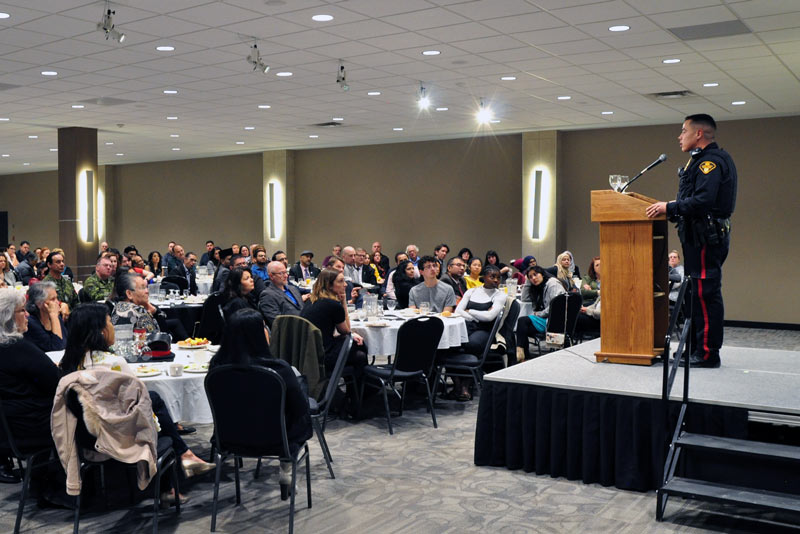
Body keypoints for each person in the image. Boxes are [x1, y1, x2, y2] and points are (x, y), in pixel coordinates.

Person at [59, 304, 214, 504]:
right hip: (115, 437)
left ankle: (183, 457)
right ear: (101, 331)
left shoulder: (68, 364)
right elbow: (138, 408)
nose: (113, 327)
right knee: (155, 408)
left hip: (86, 440)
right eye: (109, 322)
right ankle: (176, 470)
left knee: (154, 401)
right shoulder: (113, 364)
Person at [646, 113, 737, 368]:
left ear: (699, 134)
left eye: (684, 131)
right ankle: (696, 348)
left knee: (705, 293)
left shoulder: (711, 162)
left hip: (706, 237)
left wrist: (669, 207)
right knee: (696, 294)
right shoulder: (698, 160)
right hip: (697, 236)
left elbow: (704, 201)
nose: (679, 136)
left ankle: (708, 354)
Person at [209, 308, 311, 498]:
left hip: (230, 439)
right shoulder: (279, 369)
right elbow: (299, 410)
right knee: (300, 408)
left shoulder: (216, 367)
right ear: (259, 334)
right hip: (277, 440)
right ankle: (287, 464)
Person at [0, 288, 61, 457]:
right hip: (32, 426)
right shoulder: (18, 348)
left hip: (9, 428)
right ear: (8, 316)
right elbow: (56, 382)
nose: (27, 315)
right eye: (22, 310)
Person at [300, 268, 367, 412]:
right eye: (341, 281)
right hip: (323, 356)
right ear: (329, 285)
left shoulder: (311, 301)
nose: (345, 285)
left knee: (358, 352)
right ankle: (358, 399)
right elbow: (347, 330)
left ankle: (354, 400)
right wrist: (343, 302)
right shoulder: (333, 304)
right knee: (359, 348)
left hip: (308, 353)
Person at [451, 265, 506, 401]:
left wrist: (470, 312)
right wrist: (476, 317)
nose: (496, 280)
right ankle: (458, 385)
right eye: (492, 277)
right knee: (451, 345)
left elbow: (489, 317)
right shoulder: (471, 292)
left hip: (485, 330)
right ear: (484, 277)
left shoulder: (500, 295)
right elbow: (458, 311)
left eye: (498, 277)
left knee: (470, 345)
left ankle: (465, 386)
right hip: (467, 326)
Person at [516, 266, 567, 362]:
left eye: (535, 275)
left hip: (554, 320)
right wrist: (528, 281)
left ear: (542, 274)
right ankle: (524, 356)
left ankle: (522, 355)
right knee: (523, 327)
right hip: (546, 318)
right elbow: (524, 298)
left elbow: (555, 306)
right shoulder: (537, 286)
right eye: (530, 277)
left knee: (522, 321)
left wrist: (539, 314)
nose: (533, 278)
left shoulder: (552, 284)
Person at [258, 261, 306, 328]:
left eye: (286, 272)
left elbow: (303, 309)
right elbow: (277, 322)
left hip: (306, 326)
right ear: (271, 276)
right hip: (290, 332)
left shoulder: (293, 289)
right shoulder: (267, 295)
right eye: (281, 273)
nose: (286, 276)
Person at [23, 281, 67, 351]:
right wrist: (54, 316)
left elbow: (66, 343)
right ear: (39, 303)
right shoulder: (30, 323)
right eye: (53, 299)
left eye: (57, 298)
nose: (58, 302)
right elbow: (57, 347)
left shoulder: (57, 317)